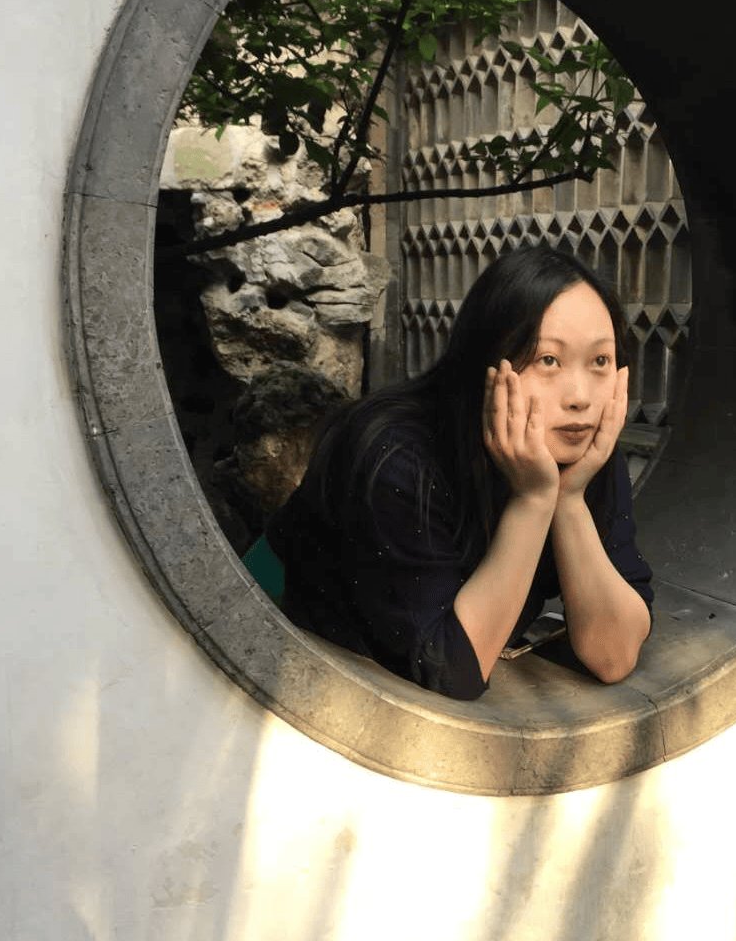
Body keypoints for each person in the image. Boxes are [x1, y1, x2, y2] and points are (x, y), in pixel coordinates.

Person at [264, 244, 653, 700]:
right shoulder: (395, 456)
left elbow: (613, 656)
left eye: (600, 361)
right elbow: (452, 671)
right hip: (297, 677)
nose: (581, 397)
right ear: (486, 363)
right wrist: (532, 500)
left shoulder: (580, 448)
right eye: (548, 360)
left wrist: (567, 501)